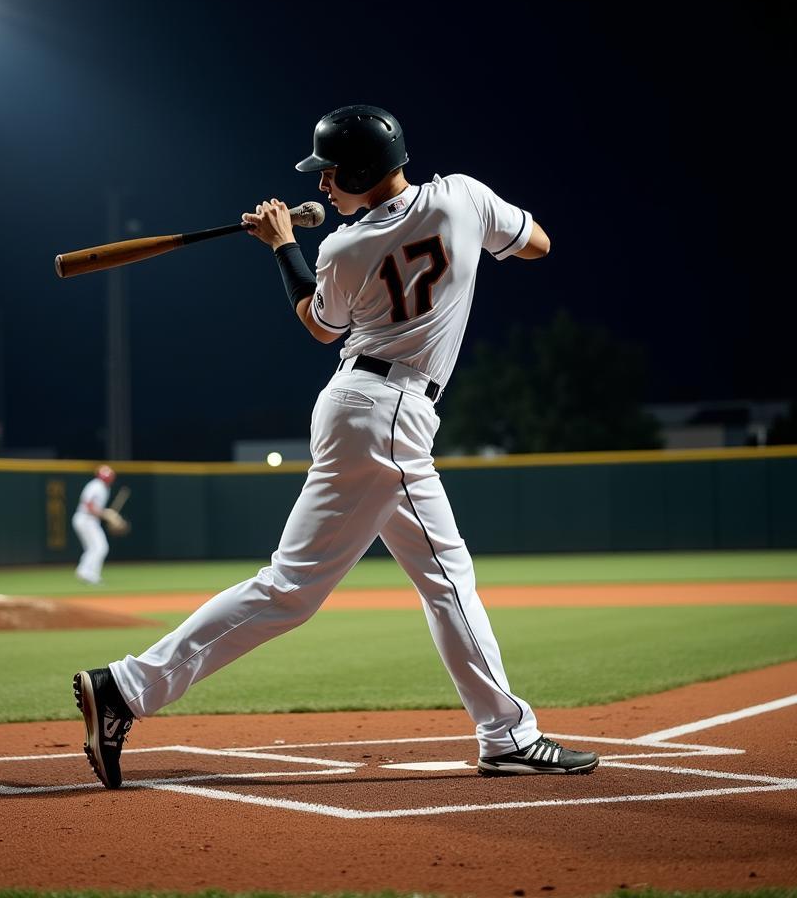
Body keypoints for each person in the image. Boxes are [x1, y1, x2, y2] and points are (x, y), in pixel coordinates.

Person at [73, 104, 598, 787]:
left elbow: (319, 325)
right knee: (322, 586)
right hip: (388, 415)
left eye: (330, 173)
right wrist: (453, 241)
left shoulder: (342, 249)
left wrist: (281, 245)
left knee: (428, 580)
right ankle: (127, 688)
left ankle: (504, 733)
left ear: (359, 170)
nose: (323, 184)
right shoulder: (464, 196)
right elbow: (538, 245)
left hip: (365, 408)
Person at [72, 464, 115, 585]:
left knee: (94, 548)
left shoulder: (104, 487)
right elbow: (89, 505)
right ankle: (88, 573)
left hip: (89, 520)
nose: (107, 478)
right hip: (86, 519)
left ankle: (85, 572)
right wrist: (106, 514)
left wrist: (105, 515)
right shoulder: (96, 486)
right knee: (100, 547)